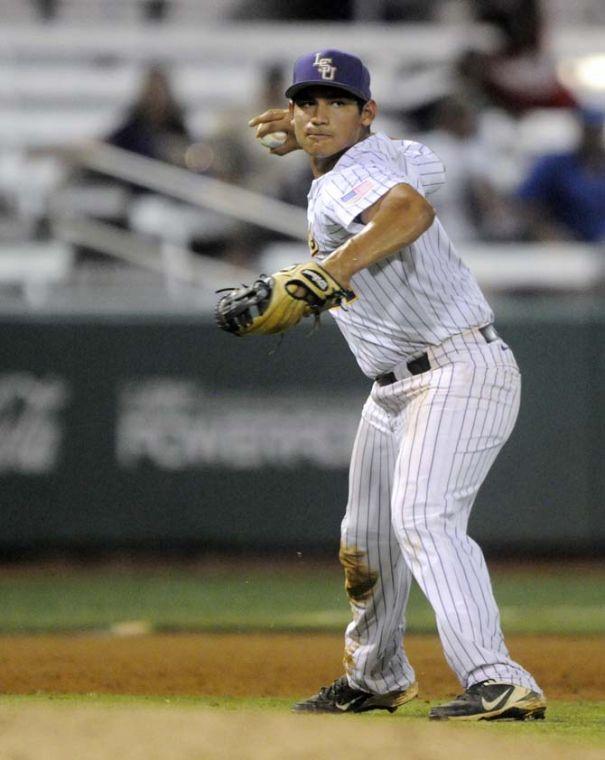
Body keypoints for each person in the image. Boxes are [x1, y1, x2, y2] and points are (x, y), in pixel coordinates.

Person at [245, 49, 546, 721]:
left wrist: (329, 273)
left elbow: (411, 211)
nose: (316, 114)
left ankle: (499, 679)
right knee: (367, 539)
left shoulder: (354, 175)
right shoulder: (391, 154)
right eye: (304, 102)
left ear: (366, 113)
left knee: (423, 518)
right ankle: (375, 675)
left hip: (453, 371)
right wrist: (307, 138)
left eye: (334, 103)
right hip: (394, 389)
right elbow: (411, 175)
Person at [516, 107, 605, 243]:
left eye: (596, 129)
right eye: (588, 129)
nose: (593, 135)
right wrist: (546, 231)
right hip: (567, 245)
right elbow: (526, 201)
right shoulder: (556, 164)